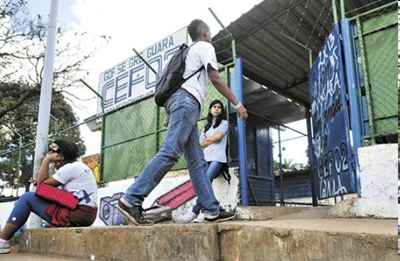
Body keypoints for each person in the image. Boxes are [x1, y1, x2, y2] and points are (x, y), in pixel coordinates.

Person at [118, 19, 248, 225]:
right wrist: (237, 103)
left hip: (181, 104)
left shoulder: (188, 52)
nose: (211, 37)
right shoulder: (205, 47)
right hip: (186, 103)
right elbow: (215, 77)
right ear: (205, 34)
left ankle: (211, 210)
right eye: (210, 34)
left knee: (197, 163)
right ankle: (131, 199)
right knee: (171, 151)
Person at [0, 140, 98, 254]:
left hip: (77, 214)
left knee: (26, 198)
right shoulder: (78, 166)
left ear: (60, 156)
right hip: (86, 214)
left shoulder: (69, 168)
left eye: (52, 152)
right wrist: (43, 184)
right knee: (30, 200)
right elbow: (50, 191)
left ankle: (3, 241)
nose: (50, 155)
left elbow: (41, 186)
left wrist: (46, 160)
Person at [176, 99, 230, 223]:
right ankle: (209, 211)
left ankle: (194, 211)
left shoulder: (225, 123)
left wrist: (207, 141)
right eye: (214, 106)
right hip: (206, 159)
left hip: (218, 159)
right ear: (210, 109)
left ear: (221, 111)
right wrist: (209, 140)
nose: (216, 108)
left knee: (205, 180)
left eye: (219, 107)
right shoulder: (206, 127)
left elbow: (218, 137)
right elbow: (199, 144)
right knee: (205, 183)